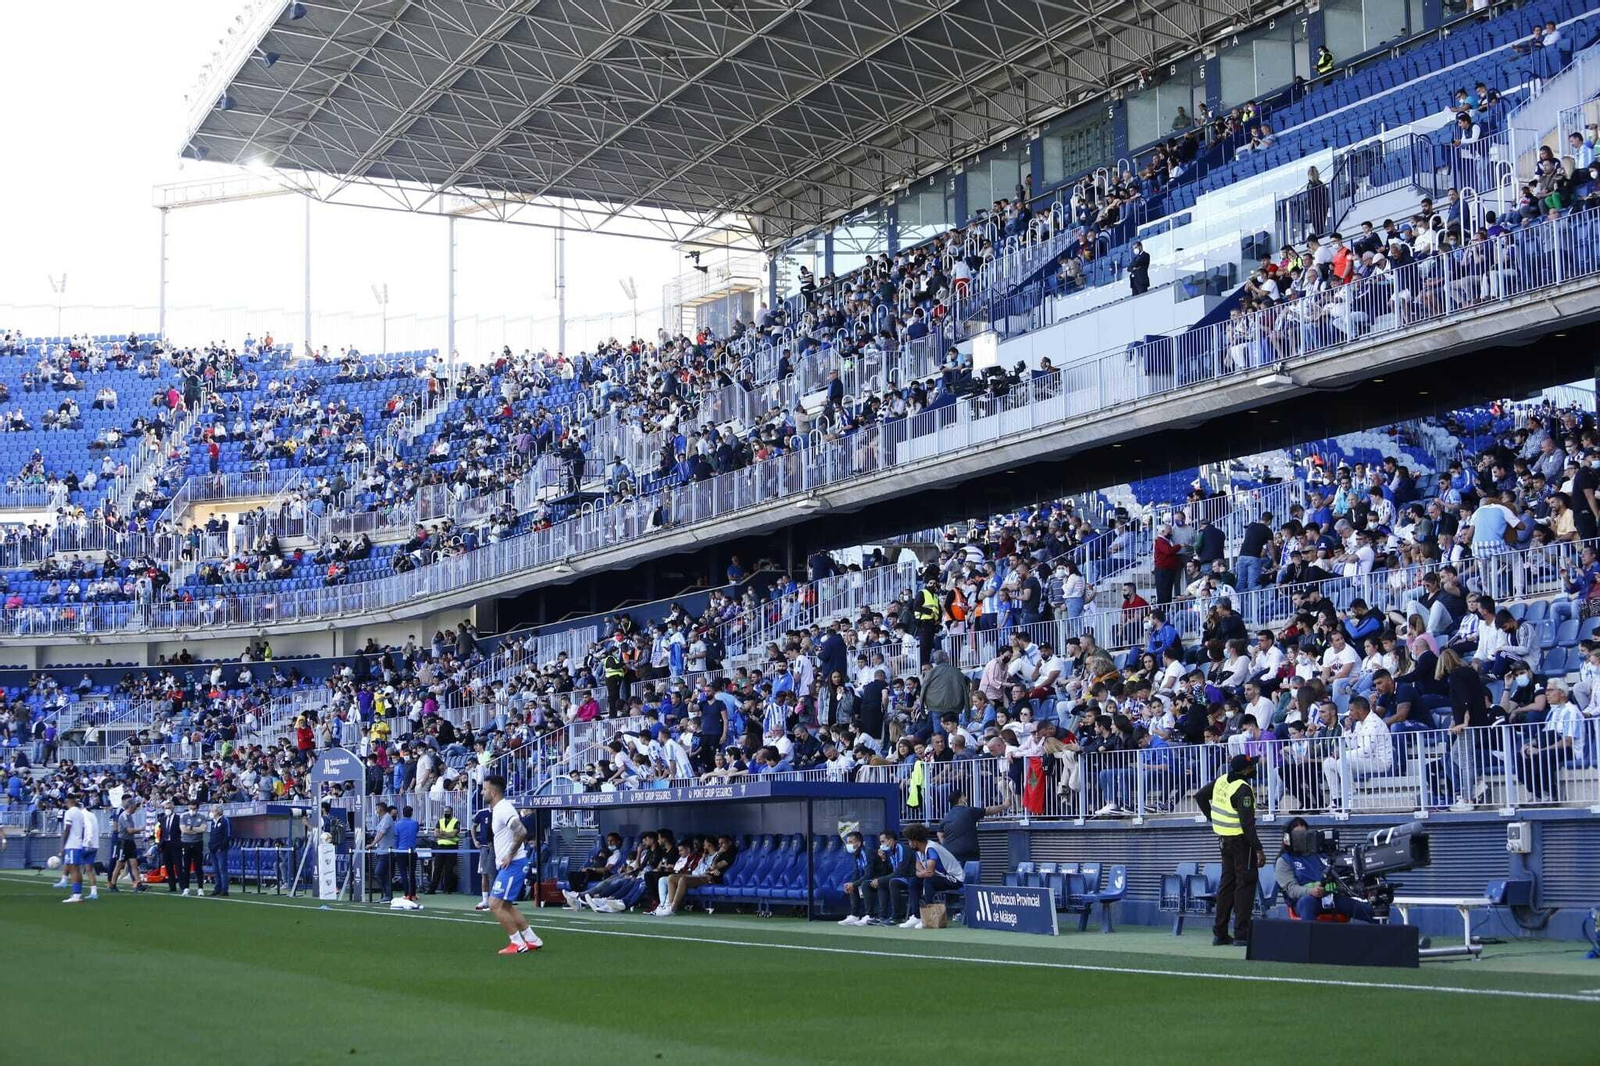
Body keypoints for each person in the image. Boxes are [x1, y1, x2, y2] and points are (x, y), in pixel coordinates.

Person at [1193, 754, 1264, 946]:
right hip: (1242, 842)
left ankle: (1220, 933)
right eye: (1251, 766)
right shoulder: (1243, 789)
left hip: (1224, 839)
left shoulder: (1222, 780)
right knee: (1245, 886)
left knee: (1226, 885)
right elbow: (1247, 825)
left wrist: (1213, 818)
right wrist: (1259, 850)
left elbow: (1199, 796)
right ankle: (1242, 934)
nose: (1254, 769)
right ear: (1246, 770)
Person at [1273, 817, 1375, 922]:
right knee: (1307, 903)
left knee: (1369, 910)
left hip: (1331, 897)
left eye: (1305, 833)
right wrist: (1310, 891)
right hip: (1305, 900)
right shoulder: (1284, 861)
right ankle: (1310, 937)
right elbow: (1291, 889)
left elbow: (1342, 875)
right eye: (1298, 833)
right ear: (1287, 838)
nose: (1303, 837)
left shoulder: (1321, 855)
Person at [483, 774, 543, 954]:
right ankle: (532, 939)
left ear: (493, 792)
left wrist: (509, 854)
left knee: (495, 904)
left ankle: (517, 942)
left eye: (484, 789)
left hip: (514, 864)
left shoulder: (503, 809)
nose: (482, 792)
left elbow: (521, 830)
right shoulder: (499, 809)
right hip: (512, 863)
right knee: (506, 905)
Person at [891, 822, 965, 929]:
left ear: (915, 841)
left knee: (929, 881)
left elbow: (929, 873)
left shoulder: (931, 848)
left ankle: (928, 917)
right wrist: (920, 873)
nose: (909, 843)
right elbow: (917, 865)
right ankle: (917, 916)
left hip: (955, 879)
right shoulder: (919, 850)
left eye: (910, 841)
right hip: (940, 877)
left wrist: (921, 874)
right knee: (913, 881)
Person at [937, 788, 1006, 865]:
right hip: (970, 853)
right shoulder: (969, 811)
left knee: (956, 876)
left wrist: (947, 846)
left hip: (951, 854)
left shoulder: (947, 816)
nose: (966, 798)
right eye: (964, 796)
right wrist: (1004, 805)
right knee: (972, 875)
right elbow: (989, 810)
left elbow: (939, 834)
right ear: (960, 799)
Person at [59, 792, 96, 903]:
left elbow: (67, 828)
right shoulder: (80, 813)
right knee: (76, 869)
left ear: (67, 801)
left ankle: (76, 895)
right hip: (78, 844)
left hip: (72, 844)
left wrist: (63, 845)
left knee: (73, 869)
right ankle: (77, 893)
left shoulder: (69, 813)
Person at [109, 795, 147, 892]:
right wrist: (141, 829)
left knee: (134, 863)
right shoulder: (124, 816)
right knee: (119, 864)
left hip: (130, 842)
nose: (136, 808)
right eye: (135, 806)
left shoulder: (129, 816)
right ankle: (112, 884)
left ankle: (138, 883)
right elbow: (129, 830)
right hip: (123, 843)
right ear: (131, 806)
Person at [429, 805, 460, 894]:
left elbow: (453, 834)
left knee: (449, 869)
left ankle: (448, 889)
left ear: (451, 812)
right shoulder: (440, 821)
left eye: (447, 812)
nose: (446, 813)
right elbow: (436, 834)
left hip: (452, 847)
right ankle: (432, 889)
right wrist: (447, 835)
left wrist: (443, 833)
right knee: (437, 869)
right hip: (441, 847)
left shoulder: (456, 821)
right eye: (445, 812)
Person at [179, 800, 207, 897]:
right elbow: (183, 830)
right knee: (186, 867)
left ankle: (200, 888)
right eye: (190, 808)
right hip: (186, 843)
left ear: (198, 808)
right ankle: (186, 888)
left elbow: (203, 829)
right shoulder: (184, 816)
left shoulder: (201, 817)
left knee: (198, 867)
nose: (192, 810)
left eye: (194, 808)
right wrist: (196, 829)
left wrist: (190, 828)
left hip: (197, 843)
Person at [369, 801, 395, 903]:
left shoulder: (387, 818)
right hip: (381, 851)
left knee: (379, 872)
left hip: (387, 851)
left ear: (380, 809)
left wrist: (372, 844)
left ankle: (388, 895)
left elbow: (381, 833)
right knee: (383, 874)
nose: (376, 811)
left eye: (376, 808)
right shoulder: (383, 819)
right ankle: (386, 895)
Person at [470, 801, 494, 910]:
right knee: (484, 873)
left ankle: (495, 901)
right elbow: (473, 827)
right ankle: (485, 900)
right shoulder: (482, 813)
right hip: (484, 847)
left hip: (497, 848)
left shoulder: (501, 812)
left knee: (493, 874)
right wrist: (475, 840)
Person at [393, 804, 420, 902]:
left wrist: (396, 850)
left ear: (402, 813)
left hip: (400, 851)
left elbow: (396, 838)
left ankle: (406, 894)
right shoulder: (415, 823)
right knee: (412, 873)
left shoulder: (398, 824)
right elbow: (416, 832)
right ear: (411, 813)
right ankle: (413, 894)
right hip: (412, 851)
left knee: (403, 874)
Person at [207, 804, 233, 897]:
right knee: (216, 870)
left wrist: (222, 846)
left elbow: (228, 835)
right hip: (213, 849)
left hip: (221, 849)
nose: (211, 812)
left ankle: (224, 889)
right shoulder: (213, 822)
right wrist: (210, 845)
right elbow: (211, 835)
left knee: (222, 869)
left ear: (218, 811)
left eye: (213, 810)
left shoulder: (225, 820)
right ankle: (217, 888)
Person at [160, 800, 185, 895]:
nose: (167, 809)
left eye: (169, 808)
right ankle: (172, 886)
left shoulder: (178, 818)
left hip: (175, 844)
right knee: (168, 866)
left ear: (173, 808)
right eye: (166, 808)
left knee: (178, 866)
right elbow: (162, 832)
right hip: (165, 844)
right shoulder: (163, 819)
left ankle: (183, 886)